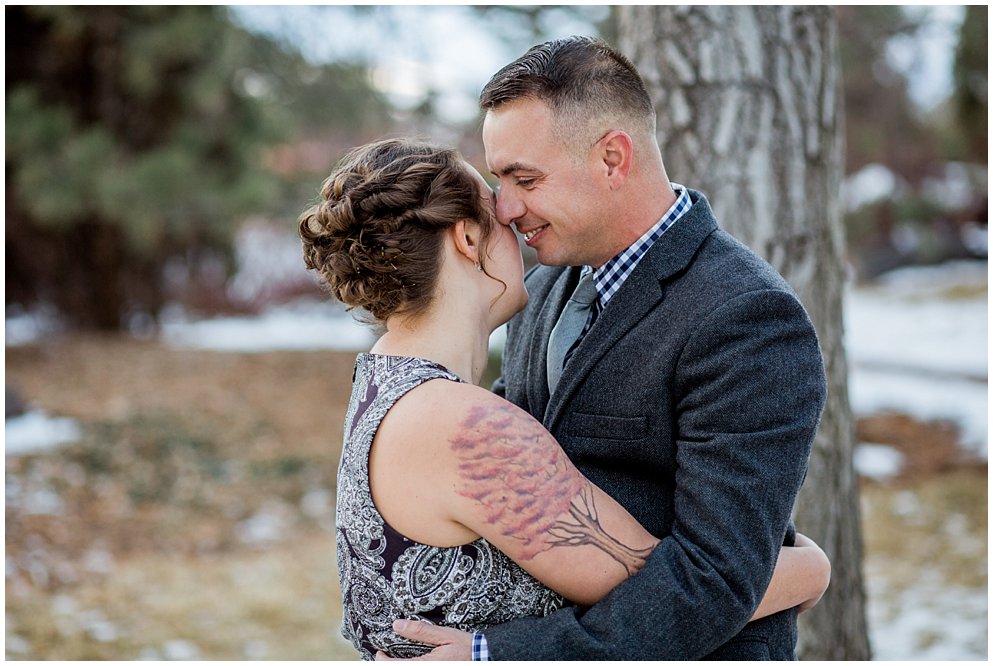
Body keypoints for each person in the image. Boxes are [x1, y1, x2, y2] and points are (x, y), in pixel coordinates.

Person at [299, 138, 829, 661]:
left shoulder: (381, 386)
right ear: (465, 237)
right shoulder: (466, 429)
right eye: (494, 203)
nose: (513, 213)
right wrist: (811, 570)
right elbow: (684, 593)